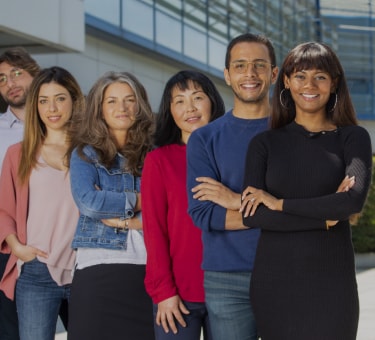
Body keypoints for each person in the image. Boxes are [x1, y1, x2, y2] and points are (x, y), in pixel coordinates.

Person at [240, 42, 372, 340]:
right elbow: (252, 216)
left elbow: (350, 201)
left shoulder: (353, 138)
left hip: (331, 285)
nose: (309, 85)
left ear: (334, 83)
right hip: (275, 283)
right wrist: (322, 218)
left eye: (320, 76)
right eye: (300, 76)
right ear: (286, 81)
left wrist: (279, 204)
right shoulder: (264, 145)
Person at [186, 33, 278, 340]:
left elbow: (301, 205)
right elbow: (203, 214)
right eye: (240, 65)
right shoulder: (204, 139)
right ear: (227, 74)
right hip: (226, 278)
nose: (249, 74)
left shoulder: (293, 135)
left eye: (258, 65)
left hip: (287, 271)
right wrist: (276, 211)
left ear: (274, 73)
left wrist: (234, 199)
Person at [67, 71, 155, 340]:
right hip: (97, 270)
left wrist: (123, 218)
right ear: (99, 109)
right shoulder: (84, 154)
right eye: (112, 101)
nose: (122, 108)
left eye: (129, 100)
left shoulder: (155, 154)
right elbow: (90, 203)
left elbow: (170, 207)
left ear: (140, 106)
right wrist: (144, 201)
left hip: (147, 269)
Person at [0, 66, 85, 340]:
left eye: (60, 98)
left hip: (85, 269)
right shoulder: (19, 153)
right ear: (35, 105)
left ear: (73, 99)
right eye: (44, 100)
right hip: (37, 270)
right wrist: (18, 248)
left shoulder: (90, 152)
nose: (53, 108)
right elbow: (4, 208)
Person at [142, 70, 225, 340]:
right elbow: (154, 230)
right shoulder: (159, 161)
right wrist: (163, 292)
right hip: (177, 294)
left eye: (197, 97)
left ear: (212, 102)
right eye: (179, 101)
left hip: (229, 289)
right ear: (170, 110)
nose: (189, 108)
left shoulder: (232, 155)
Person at [0, 48, 40, 340]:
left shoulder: (64, 125)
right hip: (8, 247)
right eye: (1, 79)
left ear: (34, 74)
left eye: (16, 73)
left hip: (63, 244)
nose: (9, 83)